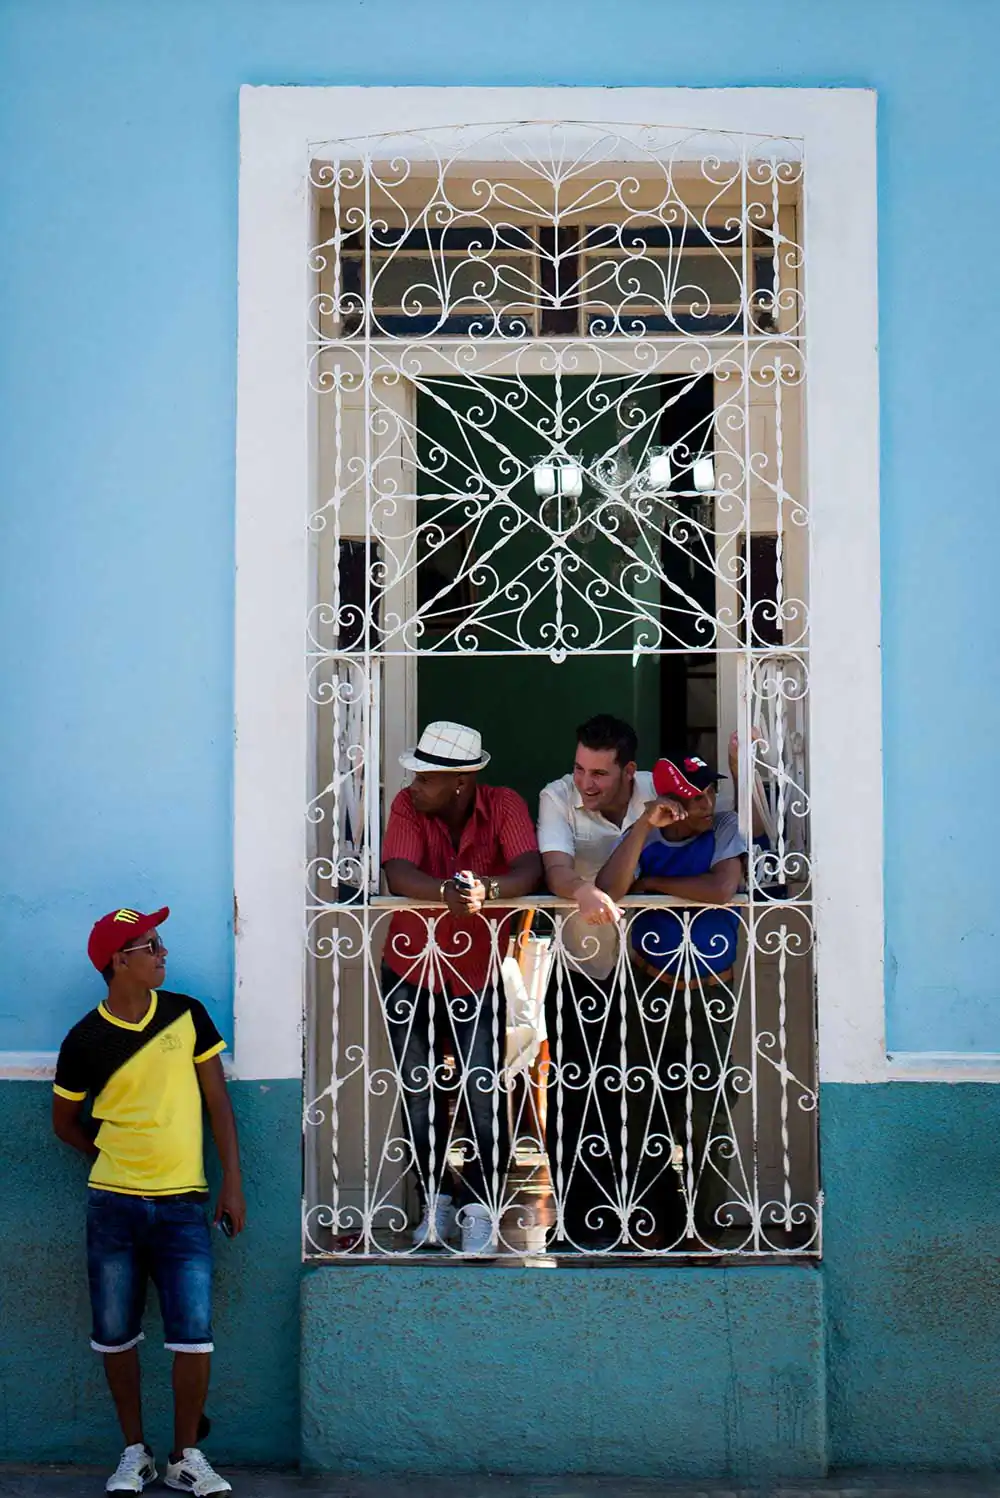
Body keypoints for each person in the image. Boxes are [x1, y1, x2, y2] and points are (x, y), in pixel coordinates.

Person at [52, 907, 245, 1496]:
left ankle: (186, 1456)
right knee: (115, 1333)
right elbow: (65, 1122)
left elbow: (217, 1103)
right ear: (119, 961)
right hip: (112, 1207)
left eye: (160, 944)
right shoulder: (85, 1039)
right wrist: (112, 1158)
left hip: (184, 1204)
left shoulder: (187, 1015)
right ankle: (134, 1453)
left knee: (194, 1334)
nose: (163, 954)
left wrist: (232, 1183)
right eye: (150, 947)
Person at [381, 720, 542, 1255]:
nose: (414, 786)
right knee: (419, 1092)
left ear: (460, 782)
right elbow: (397, 873)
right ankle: (436, 1201)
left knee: (483, 1093)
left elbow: (530, 870)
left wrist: (486, 890)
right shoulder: (407, 807)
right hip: (409, 969)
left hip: (478, 972)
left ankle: (480, 1208)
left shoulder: (504, 805)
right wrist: (447, 893)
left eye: (425, 778)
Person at [595, 755, 747, 1244]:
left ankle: (706, 1229)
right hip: (650, 987)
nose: (708, 804)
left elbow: (722, 888)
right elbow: (608, 889)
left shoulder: (724, 827)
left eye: (709, 792)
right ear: (672, 802)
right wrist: (644, 825)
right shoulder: (647, 835)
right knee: (645, 1106)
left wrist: (655, 884)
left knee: (709, 1109)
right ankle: (655, 1226)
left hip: (710, 991)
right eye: (696, 797)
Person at [536, 714, 672, 1248]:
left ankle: (652, 1219)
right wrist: (583, 891)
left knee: (646, 1092)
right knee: (574, 1093)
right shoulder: (556, 796)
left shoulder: (659, 792)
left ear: (629, 772)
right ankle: (577, 1222)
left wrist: (741, 765)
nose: (585, 783)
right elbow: (556, 870)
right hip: (579, 968)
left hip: (651, 969)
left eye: (599, 773)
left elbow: (721, 824)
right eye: (580, 768)